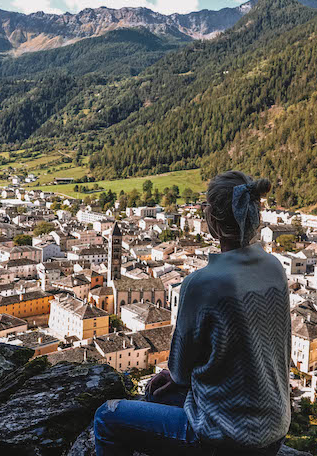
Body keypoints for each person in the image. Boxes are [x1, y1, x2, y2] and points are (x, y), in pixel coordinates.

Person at [93, 170, 292, 456]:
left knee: (107, 417)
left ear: (213, 221)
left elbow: (181, 370)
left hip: (226, 438)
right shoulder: (274, 268)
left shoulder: (202, 283)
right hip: (274, 431)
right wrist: (175, 378)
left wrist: (172, 375)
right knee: (159, 392)